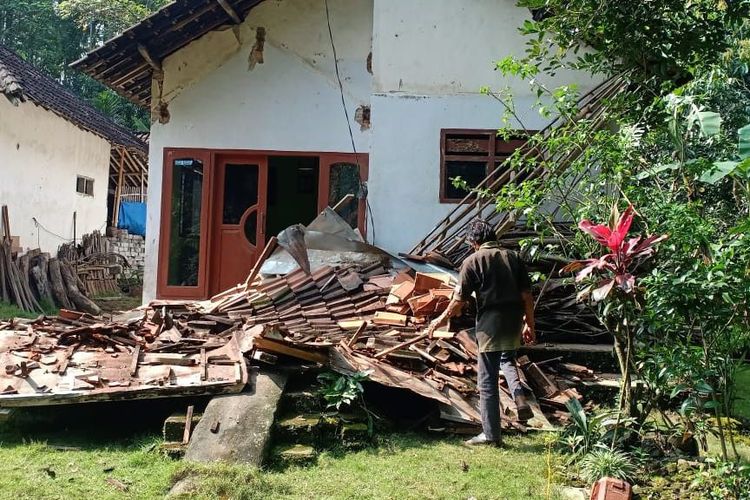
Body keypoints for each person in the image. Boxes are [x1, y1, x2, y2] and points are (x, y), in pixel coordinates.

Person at [427, 219, 536, 447]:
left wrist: (438, 321)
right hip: (513, 322)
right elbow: (527, 296)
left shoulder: (472, 261)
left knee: (486, 381)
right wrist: (529, 325)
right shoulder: (513, 258)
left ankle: (491, 435)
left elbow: (458, 302)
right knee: (507, 358)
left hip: (490, 326)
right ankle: (519, 396)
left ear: (474, 242)